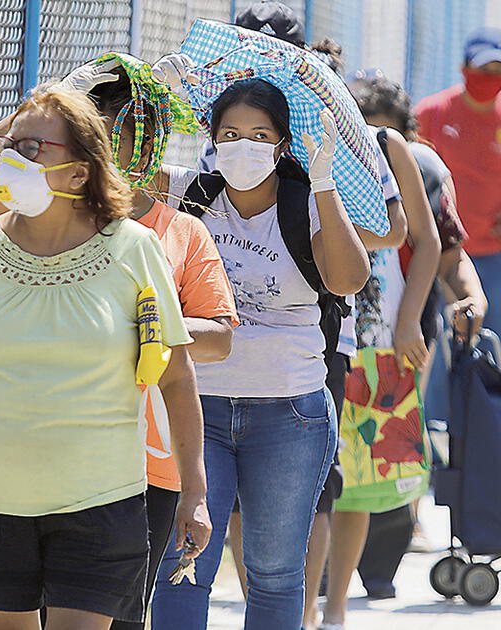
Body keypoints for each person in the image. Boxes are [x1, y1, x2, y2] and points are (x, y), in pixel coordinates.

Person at [0, 84, 206, 630]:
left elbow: (176, 377)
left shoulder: (134, 250)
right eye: (9, 145)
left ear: (79, 174)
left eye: (34, 148)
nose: (12, 158)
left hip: (100, 499)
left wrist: (195, 492)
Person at [147, 69, 370, 630]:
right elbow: (108, 171)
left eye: (261, 136)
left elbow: (347, 279)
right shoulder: (186, 194)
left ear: (284, 145)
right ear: (211, 139)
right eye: (230, 134)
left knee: (273, 572)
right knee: (183, 561)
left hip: (289, 412)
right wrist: (148, 96)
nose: (243, 147)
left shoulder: (307, 202)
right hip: (197, 408)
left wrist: (324, 182)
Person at [53, 57, 239, 630]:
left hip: (146, 465)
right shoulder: (38, 219)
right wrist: (59, 96)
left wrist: (151, 329)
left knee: (121, 615)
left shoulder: (182, 231)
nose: (111, 147)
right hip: (46, 445)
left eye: (127, 132)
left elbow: (219, 337)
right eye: (94, 132)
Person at [334, 70, 488, 607]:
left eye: (385, 133)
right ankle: (328, 576)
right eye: (362, 128)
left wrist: (467, 296)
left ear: (405, 134)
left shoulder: (421, 170)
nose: (373, 144)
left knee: (385, 452)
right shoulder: (320, 159)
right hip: (334, 336)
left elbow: (445, 252)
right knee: (337, 462)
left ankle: (380, 568)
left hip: (400, 335)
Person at [414, 27, 501, 379]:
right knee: (437, 345)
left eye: (498, 71)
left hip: (499, 254)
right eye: (483, 69)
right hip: (441, 254)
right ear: (464, 68)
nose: (490, 78)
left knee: (498, 348)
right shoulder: (433, 112)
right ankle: (435, 426)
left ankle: (494, 425)